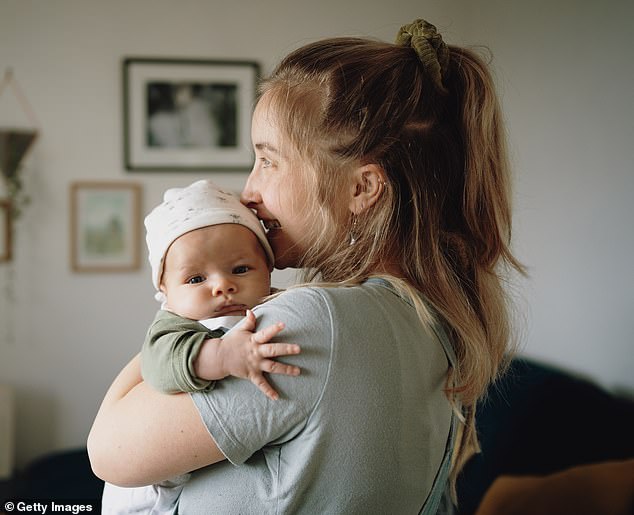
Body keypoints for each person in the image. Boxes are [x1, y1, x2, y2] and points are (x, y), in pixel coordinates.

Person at [88, 18, 525, 514]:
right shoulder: (433, 322)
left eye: (268, 160)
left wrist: (178, 310)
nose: (249, 190)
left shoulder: (316, 322)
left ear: (362, 189)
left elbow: (107, 451)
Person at [101, 179, 301, 514]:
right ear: (165, 289)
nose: (223, 285)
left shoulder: (277, 306)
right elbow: (159, 367)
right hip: (149, 492)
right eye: (196, 279)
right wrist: (222, 355)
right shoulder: (173, 325)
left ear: (267, 269)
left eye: (240, 269)